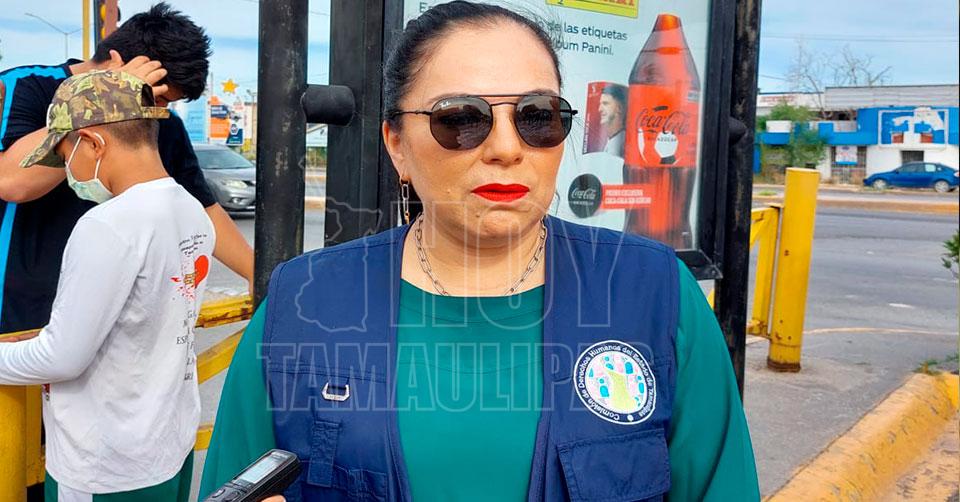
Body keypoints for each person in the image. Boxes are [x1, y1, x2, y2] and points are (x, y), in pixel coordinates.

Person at [200, 2, 760, 501]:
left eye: (537, 116)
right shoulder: (304, 302)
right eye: (462, 119)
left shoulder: (654, 293)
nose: (506, 148)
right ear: (397, 145)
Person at [0, 70, 212, 501]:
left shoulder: (107, 225)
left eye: (64, 155)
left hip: (104, 466)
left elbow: (61, 357)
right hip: (168, 445)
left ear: (94, 143)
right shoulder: (191, 211)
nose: (68, 171)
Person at [0, 3, 253, 338]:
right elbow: (11, 181)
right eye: (157, 97)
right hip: (19, 313)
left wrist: (259, 274)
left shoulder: (160, 120)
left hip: (106, 314)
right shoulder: (25, 86)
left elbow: (204, 208)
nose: (156, 109)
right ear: (117, 63)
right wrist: (106, 99)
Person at [599, 85, 626, 157]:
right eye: (600, 104)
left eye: (605, 103)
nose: (600, 109)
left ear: (619, 108)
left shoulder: (623, 144)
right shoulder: (611, 140)